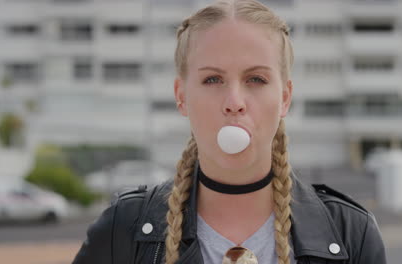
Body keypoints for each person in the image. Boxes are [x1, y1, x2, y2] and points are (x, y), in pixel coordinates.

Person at [72, 0, 386, 263]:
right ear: (182, 97)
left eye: (256, 80)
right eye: (212, 80)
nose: (234, 103)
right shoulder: (122, 229)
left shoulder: (350, 234)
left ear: (285, 98)